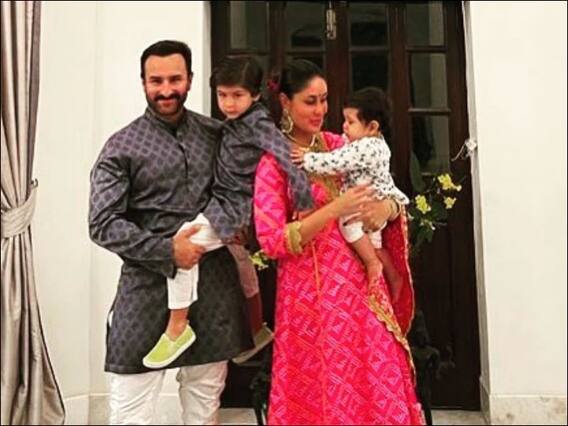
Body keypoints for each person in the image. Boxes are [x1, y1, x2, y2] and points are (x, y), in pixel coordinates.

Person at [88, 40, 251, 425]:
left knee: (204, 405)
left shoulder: (217, 135)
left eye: (175, 79)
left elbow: (242, 193)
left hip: (213, 288)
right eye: (156, 81)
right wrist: (167, 250)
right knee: (129, 412)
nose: (166, 90)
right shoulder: (122, 146)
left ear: (190, 80)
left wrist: (237, 225)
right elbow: (102, 223)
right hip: (145, 289)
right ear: (143, 82)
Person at [254, 59, 424, 425]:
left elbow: (385, 189)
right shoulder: (273, 164)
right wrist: (336, 209)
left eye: (324, 100)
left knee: (377, 379)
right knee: (319, 391)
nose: (320, 110)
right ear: (285, 103)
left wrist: (387, 208)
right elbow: (272, 241)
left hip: (361, 288)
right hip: (307, 297)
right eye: (310, 101)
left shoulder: (338, 145)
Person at [143, 55, 315, 369]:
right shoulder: (236, 123)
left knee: (182, 246)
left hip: (232, 207)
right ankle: (255, 328)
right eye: (223, 95)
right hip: (221, 204)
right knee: (239, 259)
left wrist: (304, 203)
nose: (229, 103)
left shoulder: (258, 124)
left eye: (237, 95)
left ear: (255, 95)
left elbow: (289, 159)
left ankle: (177, 326)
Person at [290, 87, 409, 304]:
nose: (344, 126)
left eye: (350, 121)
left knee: (348, 226)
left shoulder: (365, 147)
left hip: (363, 204)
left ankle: (373, 263)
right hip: (374, 200)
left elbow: (335, 162)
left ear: (372, 127)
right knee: (375, 245)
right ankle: (392, 275)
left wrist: (306, 159)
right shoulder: (373, 142)